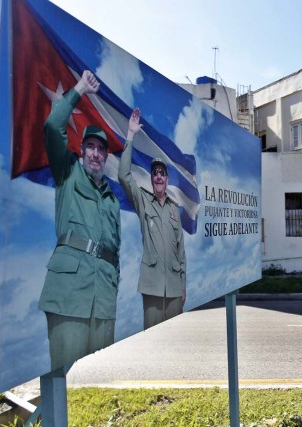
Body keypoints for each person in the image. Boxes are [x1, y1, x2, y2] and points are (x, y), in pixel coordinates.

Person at [38, 70, 121, 371]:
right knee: (63, 380)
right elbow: (52, 125)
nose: (96, 154)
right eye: (91, 148)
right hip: (69, 296)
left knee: (95, 383)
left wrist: (112, 290)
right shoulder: (68, 173)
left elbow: (116, 252)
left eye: (101, 149)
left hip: (103, 301)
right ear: (82, 150)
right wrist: (80, 88)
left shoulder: (111, 198)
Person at [119, 108, 187, 330]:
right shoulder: (142, 200)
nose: (158, 176)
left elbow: (181, 251)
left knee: (174, 345)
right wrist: (130, 136)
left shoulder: (174, 209)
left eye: (162, 173)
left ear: (167, 180)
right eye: (155, 172)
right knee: (152, 346)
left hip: (175, 290)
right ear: (152, 178)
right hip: (153, 289)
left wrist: (183, 286)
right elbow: (123, 176)